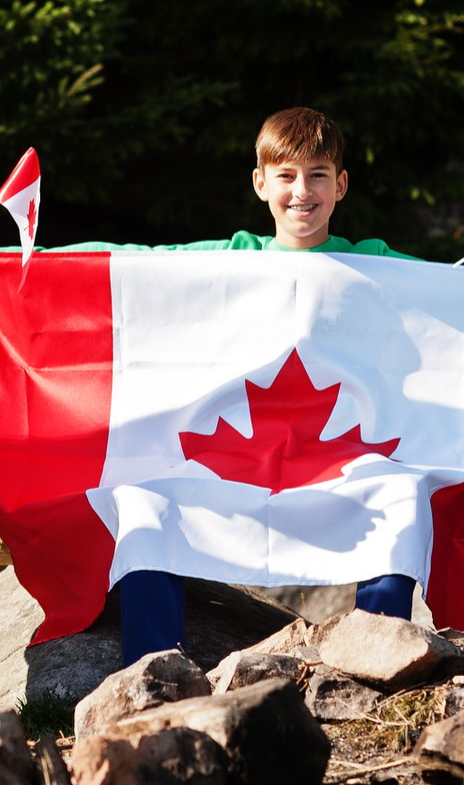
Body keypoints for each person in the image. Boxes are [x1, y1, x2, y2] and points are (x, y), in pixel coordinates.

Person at [65, 107, 429, 662]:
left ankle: (374, 660)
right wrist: (17, 260)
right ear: (261, 183)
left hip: (342, 464)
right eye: (285, 176)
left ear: (342, 185)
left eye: (318, 175)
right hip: (224, 463)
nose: (301, 191)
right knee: (144, 498)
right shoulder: (233, 258)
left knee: (403, 495)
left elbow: (455, 298)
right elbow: (131, 266)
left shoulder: (376, 264)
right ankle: (155, 671)